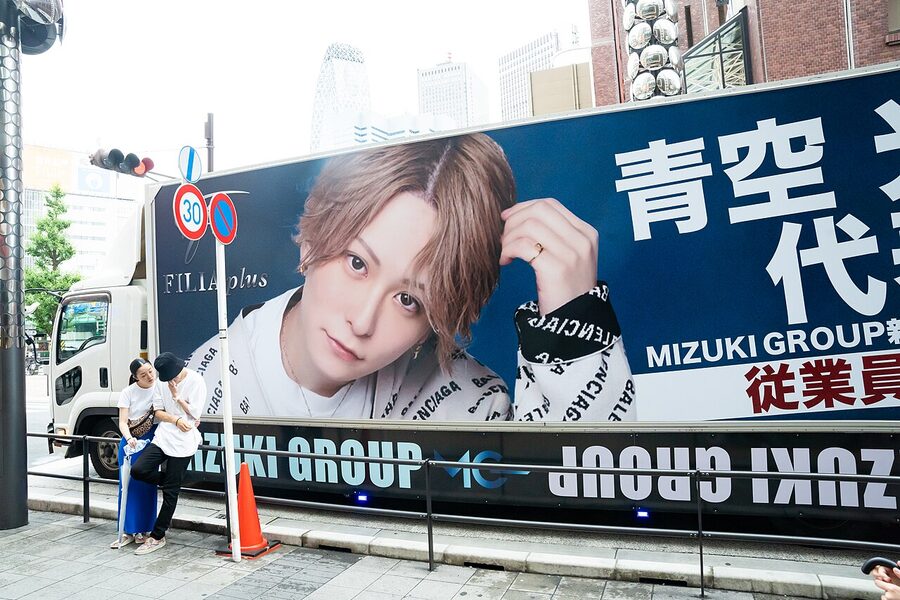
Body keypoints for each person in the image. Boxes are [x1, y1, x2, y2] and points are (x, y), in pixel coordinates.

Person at [188, 133, 634, 422]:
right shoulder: (208, 383)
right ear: (311, 240)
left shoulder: (464, 400)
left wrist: (576, 328)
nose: (362, 322)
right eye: (357, 263)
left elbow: (570, 513)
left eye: (409, 301)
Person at [130, 352, 206, 555]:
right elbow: (158, 411)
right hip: (165, 436)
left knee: (170, 494)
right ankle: (175, 481)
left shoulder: (196, 381)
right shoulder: (162, 381)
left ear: (180, 370)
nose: (169, 380)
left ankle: (157, 536)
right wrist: (175, 420)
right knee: (138, 470)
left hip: (185, 439)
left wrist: (177, 397)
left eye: (172, 377)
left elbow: (196, 414)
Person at [109, 358, 160, 549]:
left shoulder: (160, 388)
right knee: (128, 487)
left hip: (151, 442)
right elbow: (123, 421)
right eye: (143, 374)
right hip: (130, 444)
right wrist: (129, 438)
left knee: (147, 486)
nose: (149, 376)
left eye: (150, 371)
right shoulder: (127, 392)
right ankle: (129, 529)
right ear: (134, 377)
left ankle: (145, 529)